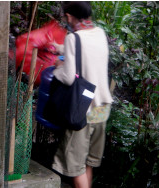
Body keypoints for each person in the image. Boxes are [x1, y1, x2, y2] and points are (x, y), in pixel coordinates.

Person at [50, 2, 112, 188]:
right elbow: (88, 53)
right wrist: (61, 49)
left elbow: (69, 78)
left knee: (74, 167)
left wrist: (56, 70)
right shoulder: (100, 33)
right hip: (102, 109)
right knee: (87, 163)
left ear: (69, 16)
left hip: (83, 110)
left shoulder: (73, 39)